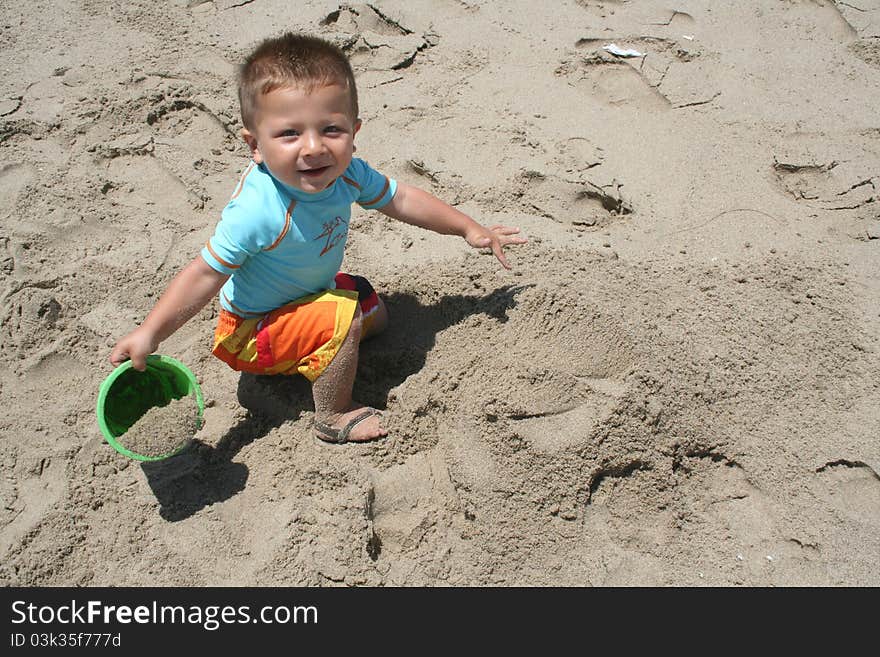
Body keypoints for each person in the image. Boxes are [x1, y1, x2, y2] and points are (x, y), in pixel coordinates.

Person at [110, 32, 526, 444]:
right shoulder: (258, 211)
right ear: (255, 145)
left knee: (370, 305)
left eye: (330, 129)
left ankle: (321, 349)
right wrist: (151, 332)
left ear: (354, 130)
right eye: (289, 134)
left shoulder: (347, 173)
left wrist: (469, 227)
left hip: (305, 298)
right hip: (251, 333)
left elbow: (400, 199)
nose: (313, 148)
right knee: (340, 321)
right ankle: (332, 415)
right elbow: (203, 274)